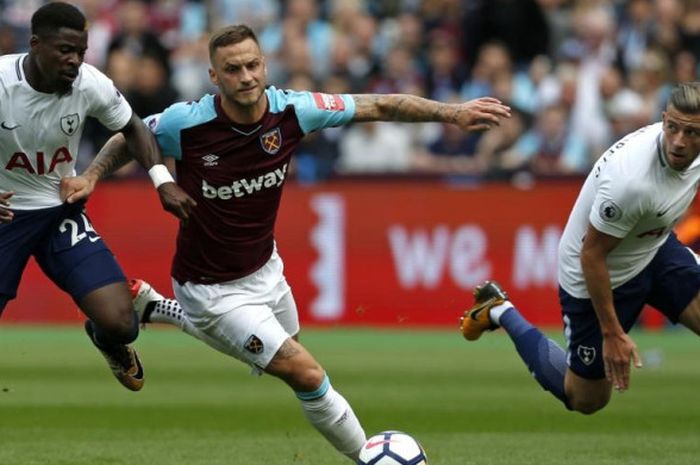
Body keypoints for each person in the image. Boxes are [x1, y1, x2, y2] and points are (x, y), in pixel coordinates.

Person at [70, 24, 510, 460]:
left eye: (252, 65)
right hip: (210, 286)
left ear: (265, 65)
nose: (246, 76)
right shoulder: (187, 122)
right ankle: (368, 457)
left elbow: (378, 104)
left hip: (266, 268)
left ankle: (153, 307)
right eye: (233, 69)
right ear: (214, 77)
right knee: (306, 373)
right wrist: (96, 175)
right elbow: (130, 135)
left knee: (284, 351)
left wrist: (451, 113)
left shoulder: (296, 111)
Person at [460, 82, 700, 414]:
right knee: (586, 399)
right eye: (672, 128)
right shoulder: (631, 181)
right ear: (663, 119)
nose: (679, 141)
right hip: (599, 270)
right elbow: (593, 254)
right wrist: (612, 333)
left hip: (653, 247)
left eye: (691, 132)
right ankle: (499, 309)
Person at [0, 2, 195, 391]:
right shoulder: (2, 82)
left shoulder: (90, 83)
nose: (75, 61)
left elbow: (134, 127)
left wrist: (161, 179)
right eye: (65, 51)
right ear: (35, 44)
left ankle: (106, 340)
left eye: (81, 52)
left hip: (59, 208)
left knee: (123, 323)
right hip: (5, 213)